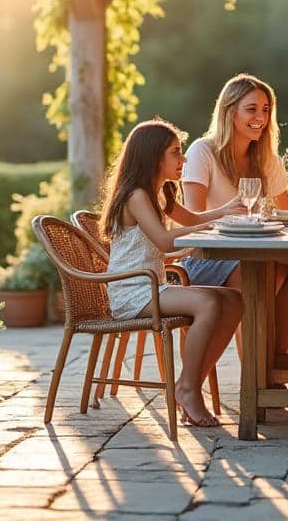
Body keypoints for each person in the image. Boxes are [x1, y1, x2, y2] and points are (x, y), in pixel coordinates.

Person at [101, 119, 244, 427]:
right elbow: (166, 241)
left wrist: (226, 211)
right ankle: (189, 389)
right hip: (133, 292)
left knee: (234, 300)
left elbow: (192, 217)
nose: (184, 160)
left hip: (154, 286)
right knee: (208, 303)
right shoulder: (137, 196)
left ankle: (188, 383)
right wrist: (214, 226)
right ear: (154, 157)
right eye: (176, 153)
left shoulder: (159, 194)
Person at [182, 73, 288, 355]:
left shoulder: (267, 159)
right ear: (228, 112)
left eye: (265, 110)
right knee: (255, 271)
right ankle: (260, 370)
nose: (260, 116)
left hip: (250, 254)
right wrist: (227, 213)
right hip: (206, 257)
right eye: (251, 109)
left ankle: (271, 361)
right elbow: (191, 220)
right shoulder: (203, 151)